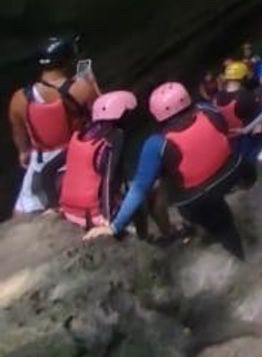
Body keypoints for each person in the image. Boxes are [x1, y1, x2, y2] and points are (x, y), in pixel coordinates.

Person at [90, 82, 245, 257]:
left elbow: (139, 189)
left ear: (157, 114)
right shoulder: (208, 110)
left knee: (168, 185)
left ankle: (210, 236)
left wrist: (114, 226)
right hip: (232, 170)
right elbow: (223, 128)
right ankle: (224, 232)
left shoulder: (156, 143)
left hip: (196, 197)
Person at [9, 34, 98, 214]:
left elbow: (19, 135)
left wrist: (23, 152)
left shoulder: (19, 98)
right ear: (66, 61)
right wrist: (91, 81)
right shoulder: (80, 89)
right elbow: (101, 114)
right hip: (75, 154)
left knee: (20, 212)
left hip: (41, 160)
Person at [58, 90, 165, 235]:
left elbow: (50, 170)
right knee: (144, 194)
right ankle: (149, 237)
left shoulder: (81, 134)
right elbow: (109, 178)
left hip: (70, 210)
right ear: (122, 115)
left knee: (129, 193)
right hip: (92, 214)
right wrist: (107, 218)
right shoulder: (115, 137)